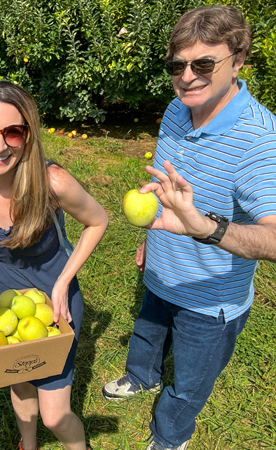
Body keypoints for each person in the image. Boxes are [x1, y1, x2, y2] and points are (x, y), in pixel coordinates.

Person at [101, 6, 276, 450]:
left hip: (211, 301)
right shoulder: (177, 111)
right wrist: (150, 237)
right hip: (162, 271)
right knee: (146, 333)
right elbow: (162, 186)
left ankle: (169, 437)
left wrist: (207, 229)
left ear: (238, 59)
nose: (187, 77)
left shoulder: (260, 140)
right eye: (178, 65)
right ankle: (140, 377)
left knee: (189, 386)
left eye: (203, 64)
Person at [0, 81, 108, 450]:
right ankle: (27, 444)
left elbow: (98, 221)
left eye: (12, 133)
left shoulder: (52, 182)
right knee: (18, 380)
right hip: (0, 299)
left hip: (53, 302)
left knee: (55, 415)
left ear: (28, 136)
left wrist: (65, 281)